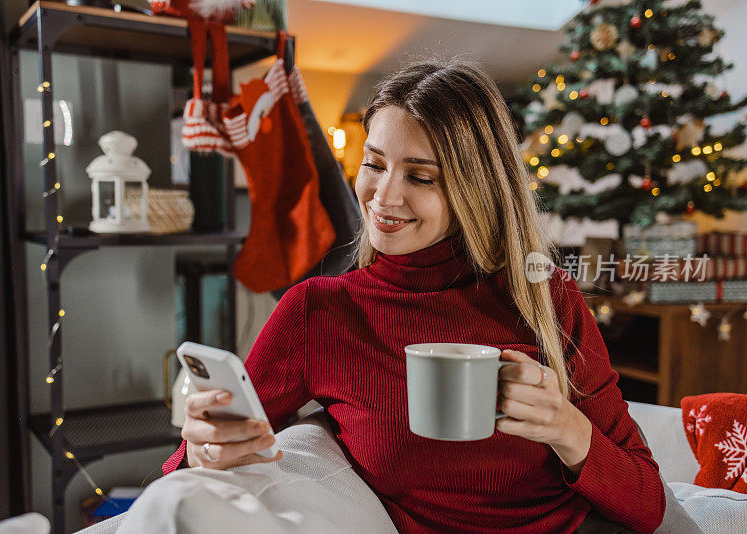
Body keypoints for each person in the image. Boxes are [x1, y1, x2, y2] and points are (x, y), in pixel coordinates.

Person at [162, 59, 665, 533]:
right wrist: (205, 451)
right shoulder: (320, 313)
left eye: (420, 176)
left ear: (477, 188)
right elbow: (183, 474)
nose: (383, 196)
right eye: (374, 164)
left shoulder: (545, 296)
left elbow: (648, 504)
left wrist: (566, 428)